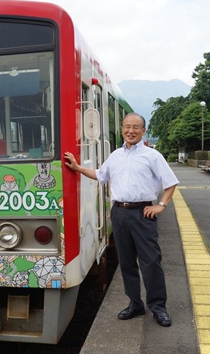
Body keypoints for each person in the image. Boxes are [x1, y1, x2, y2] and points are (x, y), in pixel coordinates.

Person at [64, 113, 179, 326]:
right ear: (122, 129)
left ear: (144, 131)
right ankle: (135, 304)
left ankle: (158, 307)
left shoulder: (152, 155)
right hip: (119, 213)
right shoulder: (115, 155)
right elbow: (100, 174)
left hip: (143, 213)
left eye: (136, 127)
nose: (131, 131)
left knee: (151, 262)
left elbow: (171, 183)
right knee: (126, 262)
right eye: (127, 127)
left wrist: (160, 206)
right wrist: (78, 168)